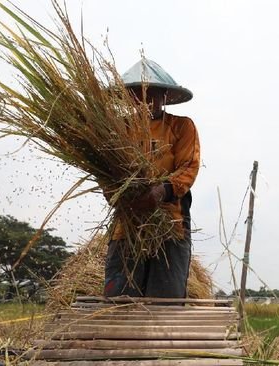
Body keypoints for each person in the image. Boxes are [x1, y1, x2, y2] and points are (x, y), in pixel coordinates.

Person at [103, 58, 200, 298]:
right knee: (120, 300)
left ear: (164, 96)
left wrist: (159, 192)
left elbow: (188, 167)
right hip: (127, 225)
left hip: (170, 224)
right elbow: (104, 171)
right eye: (139, 95)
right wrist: (121, 198)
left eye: (152, 95)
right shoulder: (117, 130)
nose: (146, 101)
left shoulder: (181, 127)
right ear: (130, 98)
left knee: (164, 301)